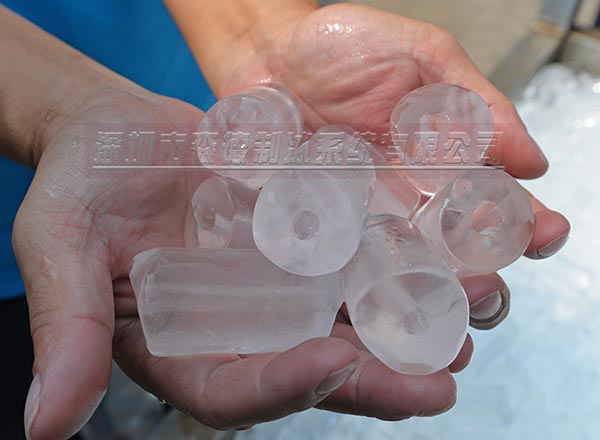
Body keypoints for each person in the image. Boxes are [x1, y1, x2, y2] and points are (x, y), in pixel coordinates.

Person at [0, 1, 570, 439]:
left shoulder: (333, 197)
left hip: (196, 115)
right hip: (80, 184)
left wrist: (262, 37)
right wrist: (57, 110)